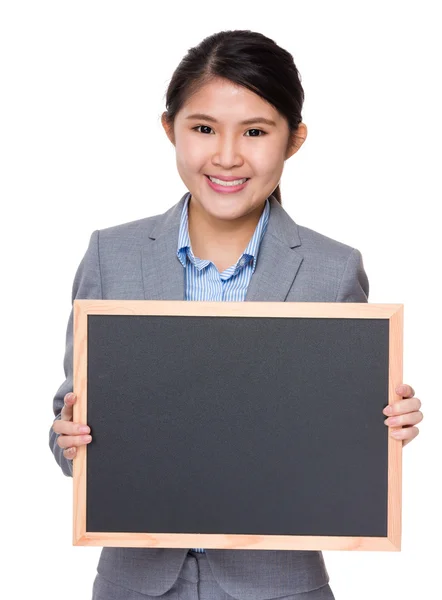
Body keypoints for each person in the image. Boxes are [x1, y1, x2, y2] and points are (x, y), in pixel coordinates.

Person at [49, 29, 423, 600]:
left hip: (278, 584)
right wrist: (68, 438)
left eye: (255, 131)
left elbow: (336, 439)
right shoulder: (112, 254)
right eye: (203, 129)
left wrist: (383, 430)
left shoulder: (332, 269)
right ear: (169, 128)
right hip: (136, 584)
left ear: (294, 139)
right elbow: (70, 418)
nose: (226, 156)